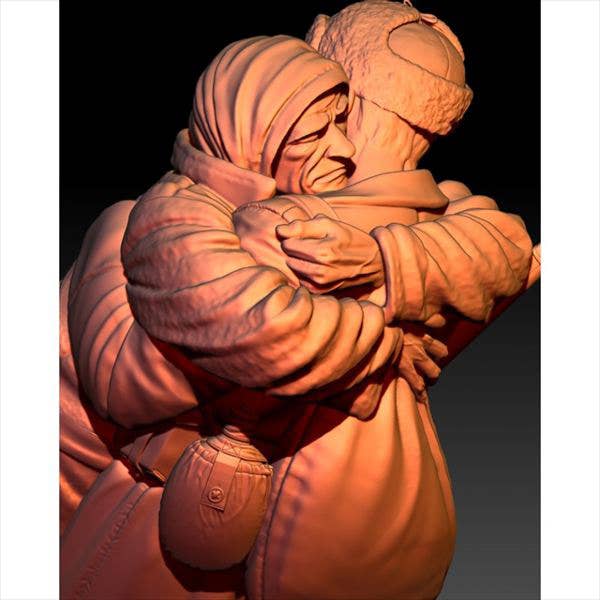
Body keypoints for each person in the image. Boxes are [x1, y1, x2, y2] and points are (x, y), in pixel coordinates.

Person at [114, 9, 536, 600]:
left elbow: (509, 247)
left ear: (351, 95)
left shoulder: (340, 218)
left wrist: (381, 260)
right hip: (332, 512)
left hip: (316, 521)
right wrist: (388, 342)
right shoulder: (246, 214)